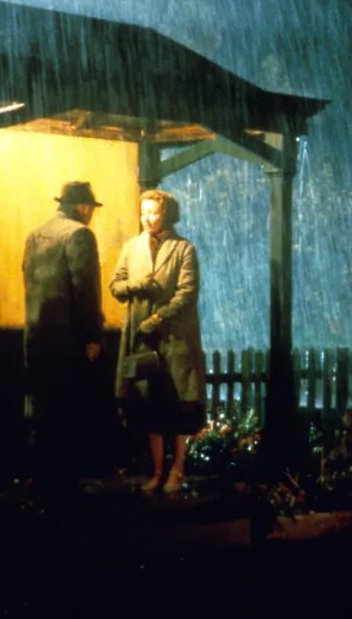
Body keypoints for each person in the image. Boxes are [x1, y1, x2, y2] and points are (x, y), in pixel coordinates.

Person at [110, 189, 206, 494]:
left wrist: (158, 317)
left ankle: (177, 470)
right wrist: (138, 285)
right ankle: (156, 472)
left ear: (168, 215)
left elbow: (187, 292)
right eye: (144, 212)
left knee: (176, 406)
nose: (147, 218)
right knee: (149, 406)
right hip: (142, 339)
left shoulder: (183, 249)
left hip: (175, 338)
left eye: (153, 212)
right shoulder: (132, 247)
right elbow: (116, 285)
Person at [22, 180, 105, 500]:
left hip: (36, 335)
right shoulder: (79, 235)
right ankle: (65, 483)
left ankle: (41, 478)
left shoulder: (35, 235)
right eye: (91, 209)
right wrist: (92, 335)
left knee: (41, 409)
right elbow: (85, 289)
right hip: (68, 338)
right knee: (69, 409)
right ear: (83, 208)